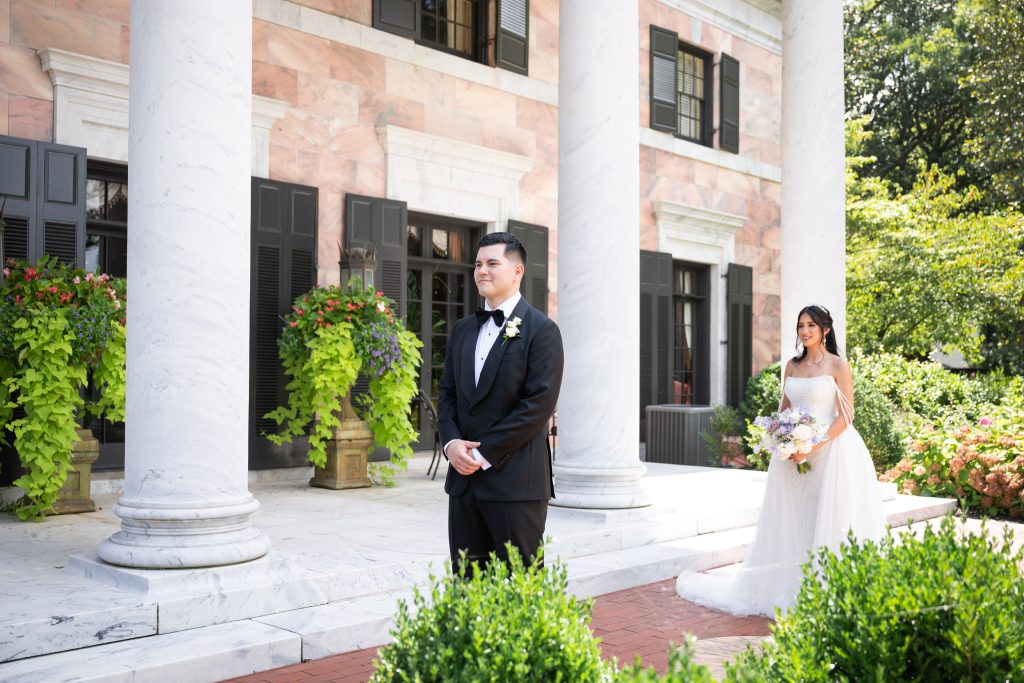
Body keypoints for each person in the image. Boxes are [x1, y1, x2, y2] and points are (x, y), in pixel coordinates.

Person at [676, 305, 886, 616]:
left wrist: (813, 444)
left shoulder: (838, 365)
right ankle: (793, 588)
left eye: (811, 325)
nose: (805, 331)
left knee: (825, 518)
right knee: (794, 519)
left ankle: (827, 589)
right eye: (801, 325)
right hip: (792, 456)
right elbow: (784, 411)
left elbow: (846, 415)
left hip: (830, 453)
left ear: (825, 330)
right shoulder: (792, 365)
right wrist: (783, 440)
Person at [437, 231, 564, 572]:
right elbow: (447, 394)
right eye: (478, 264)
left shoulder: (542, 330)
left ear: (517, 271)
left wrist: (482, 454)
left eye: (492, 263)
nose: (482, 271)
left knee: (522, 584)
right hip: (463, 484)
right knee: (467, 584)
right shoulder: (462, 329)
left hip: (516, 482)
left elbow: (538, 405)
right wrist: (451, 444)